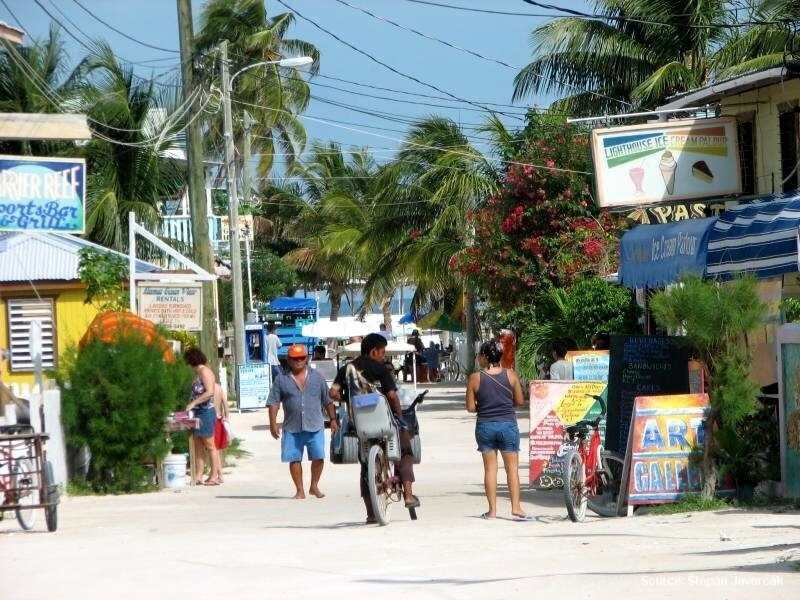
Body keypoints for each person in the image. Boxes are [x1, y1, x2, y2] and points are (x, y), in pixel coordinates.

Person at [330, 333, 419, 524]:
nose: (383, 356)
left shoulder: (346, 369)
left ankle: (371, 514)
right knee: (404, 451)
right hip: (384, 420)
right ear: (373, 351)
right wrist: (400, 418)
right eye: (382, 352)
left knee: (365, 468)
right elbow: (393, 396)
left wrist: (348, 400)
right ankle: (409, 495)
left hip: (360, 424)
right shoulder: (380, 368)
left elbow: (333, 393)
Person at [465, 340, 530, 520]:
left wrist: (485, 406)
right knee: (512, 469)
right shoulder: (511, 375)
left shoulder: (475, 378)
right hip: (508, 425)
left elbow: (470, 408)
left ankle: (492, 511)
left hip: (485, 426)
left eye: (480, 355)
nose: (478, 358)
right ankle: (516, 508)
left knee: (490, 470)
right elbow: (519, 401)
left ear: (486, 357)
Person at [267, 343, 338, 499]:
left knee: (319, 456)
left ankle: (314, 486)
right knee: (294, 458)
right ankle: (300, 490)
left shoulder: (317, 377)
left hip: (315, 425)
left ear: (306, 358)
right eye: (295, 358)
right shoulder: (281, 379)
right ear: (289, 359)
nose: (299, 361)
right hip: (292, 427)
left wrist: (333, 419)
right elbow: (273, 403)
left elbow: (327, 401)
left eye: (301, 358)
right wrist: (273, 424)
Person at [183, 347, 223, 486]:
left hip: (205, 412)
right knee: (198, 445)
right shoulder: (198, 373)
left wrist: (193, 403)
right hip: (198, 413)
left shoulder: (205, 372)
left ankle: (214, 475)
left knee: (210, 445)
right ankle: (199, 475)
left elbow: (209, 392)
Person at [210, 381, 229, 484]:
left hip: (212, 419)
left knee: (214, 449)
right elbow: (225, 404)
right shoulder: (219, 388)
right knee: (216, 449)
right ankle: (217, 473)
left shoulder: (208, 387)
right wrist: (227, 418)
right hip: (219, 419)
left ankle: (220, 474)